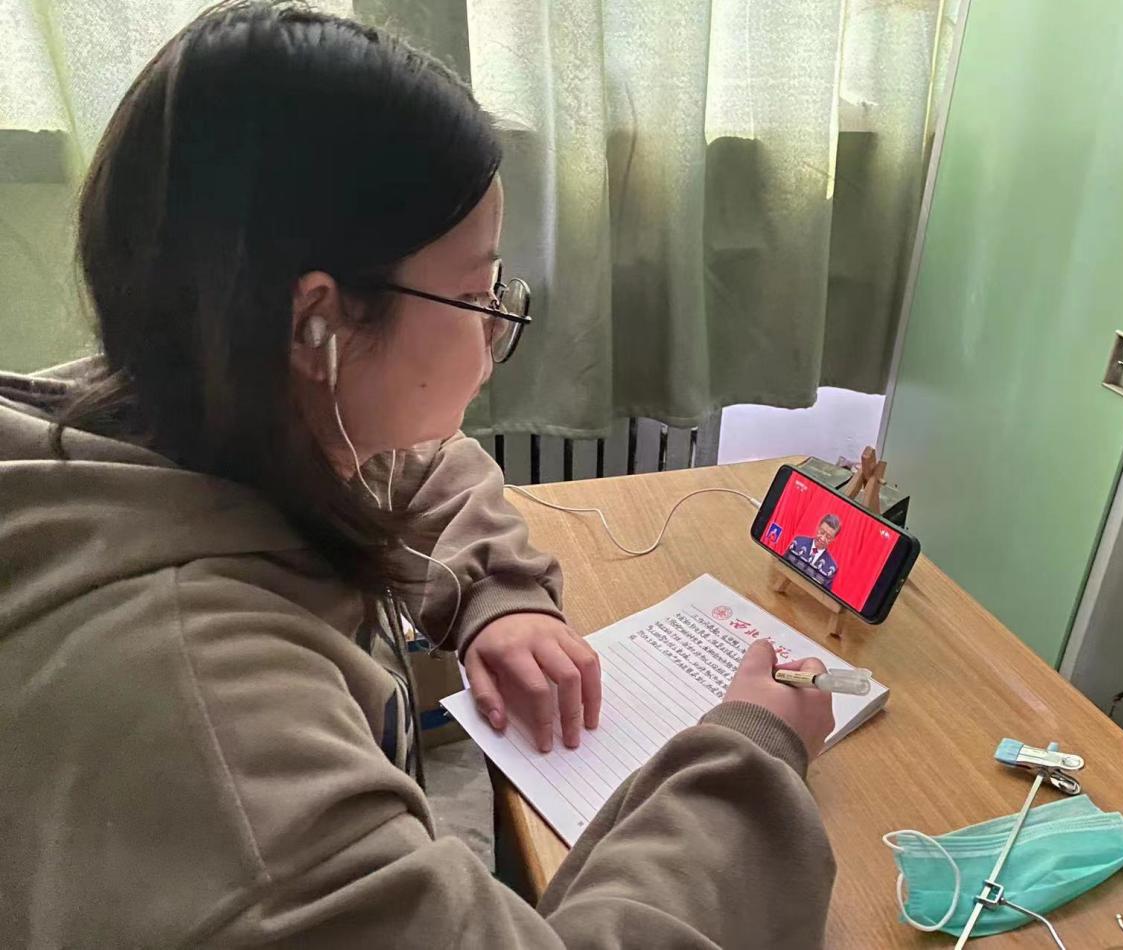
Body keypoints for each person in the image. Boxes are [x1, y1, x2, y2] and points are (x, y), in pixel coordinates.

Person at [0, 3, 836, 946]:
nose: (496, 320)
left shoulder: (182, 418)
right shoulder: (216, 738)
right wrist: (752, 752)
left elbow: (414, 461)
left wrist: (499, 597)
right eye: (475, 291)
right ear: (317, 322)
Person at [785, 514, 842, 589]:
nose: (822, 538)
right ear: (818, 527)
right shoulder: (798, 542)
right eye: (822, 532)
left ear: (833, 539)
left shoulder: (831, 567)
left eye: (828, 537)